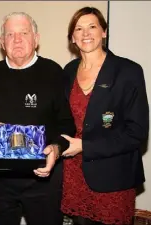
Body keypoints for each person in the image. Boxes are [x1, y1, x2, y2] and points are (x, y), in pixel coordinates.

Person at [0, 12, 76, 225]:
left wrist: (57, 148)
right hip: (0, 182)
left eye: (24, 33)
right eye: (10, 34)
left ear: (36, 38)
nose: (17, 39)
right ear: (2, 42)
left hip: (44, 179)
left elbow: (67, 123)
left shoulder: (54, 72)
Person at [61, 7, 148, 225]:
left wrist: (85, 146)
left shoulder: (128, 71)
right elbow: (61, 117)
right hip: (75, 173)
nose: (86, 33)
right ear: (73, 37)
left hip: (114, 175)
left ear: (104, 32)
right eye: (79, 29)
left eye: (92, 26)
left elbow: (137, 133)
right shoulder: (68, 71)